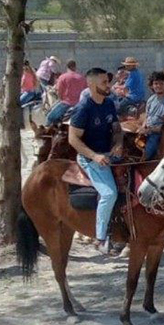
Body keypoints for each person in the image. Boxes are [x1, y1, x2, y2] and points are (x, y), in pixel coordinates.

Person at [67, 68, 124, 256]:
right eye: (104, 83)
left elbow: (116, 129)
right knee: (109, 193)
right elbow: (73, 139)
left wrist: (118, 144)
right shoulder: (84, 108)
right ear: (91, 84)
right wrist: (94, 156)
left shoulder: (108, 104)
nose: (109, 86)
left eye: (108, 82)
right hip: (90, 158)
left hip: (109, 154)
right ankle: (100, 238)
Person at [46, 60, 87, 126]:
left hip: (66, 103)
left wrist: (60, 99)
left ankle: (46, 133)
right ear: (75, 67)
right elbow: (85, 91)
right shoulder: (82, 78)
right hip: (79, 104)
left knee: (50, 117)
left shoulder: (63, 77)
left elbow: (59, 91)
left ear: (67, 67)